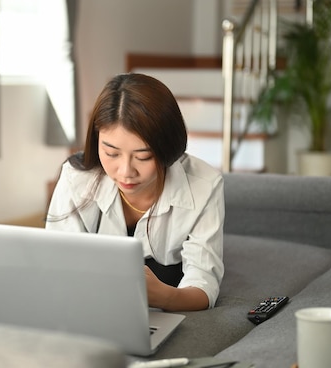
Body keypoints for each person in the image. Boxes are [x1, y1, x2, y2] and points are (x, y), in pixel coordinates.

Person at [46, 73, 224, 312]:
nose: (126, 171)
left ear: (167, 149)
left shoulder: (204, 185)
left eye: (143, 157)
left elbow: (203, 287)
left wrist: (164, 297)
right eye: (111, 153)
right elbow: (56, 263)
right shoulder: (77, 177)